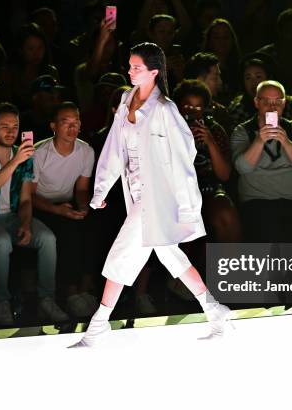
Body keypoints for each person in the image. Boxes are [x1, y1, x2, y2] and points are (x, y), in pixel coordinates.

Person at [71, 42, 233, 348]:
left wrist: (186, 206)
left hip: (159, 197)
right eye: (130, 66)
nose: (130, 71)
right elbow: (114, 149)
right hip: (136, 192)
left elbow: (184, 158)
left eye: (137, 67)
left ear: (154, 72)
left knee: (121, 255)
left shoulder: (165, 109)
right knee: (170, 255)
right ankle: (215, 310)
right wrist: (102, 188)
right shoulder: (125, 101)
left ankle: (98, 324)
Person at [0, 102, 67, 325]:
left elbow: (25, 199)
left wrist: (25, 223)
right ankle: (1, 302)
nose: (11, 131)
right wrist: (15, 161)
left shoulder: (23, 156)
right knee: (1, 242)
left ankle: (46, 300)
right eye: (5, 126)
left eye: (15, 126)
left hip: (12, 217)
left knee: (48, 238)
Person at [32, 102, 97, 317]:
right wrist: (58, 210)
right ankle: (70, 293)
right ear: (54, 126)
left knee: (93, 225)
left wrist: (84, 207)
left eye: (75, 122)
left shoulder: (85, 151)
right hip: (42, 207)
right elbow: (29, 195)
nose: (72, 127)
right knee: (67, 231)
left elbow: (81, 188)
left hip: (68, 204)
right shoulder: (40, 152)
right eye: (65, 122)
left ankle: (85, 289)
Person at [231, 80, 292, 243]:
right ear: (256, 102)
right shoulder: (243, 131)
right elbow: (242, 168)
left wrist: (286, 142)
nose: (272, 107)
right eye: (266, 101)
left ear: (284, 103)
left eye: (277, 102)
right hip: (257, 202)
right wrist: (259, 140)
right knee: (268, 234)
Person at [173, 79, 240, 242]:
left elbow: (224, 175)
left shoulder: (214, 130)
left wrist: (209, 142)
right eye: (188, 106)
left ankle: (230, 265)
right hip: (176, 192)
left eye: (198, 107)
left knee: (224, 212)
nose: (193, 111)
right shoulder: (168, 128)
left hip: (208, 188)